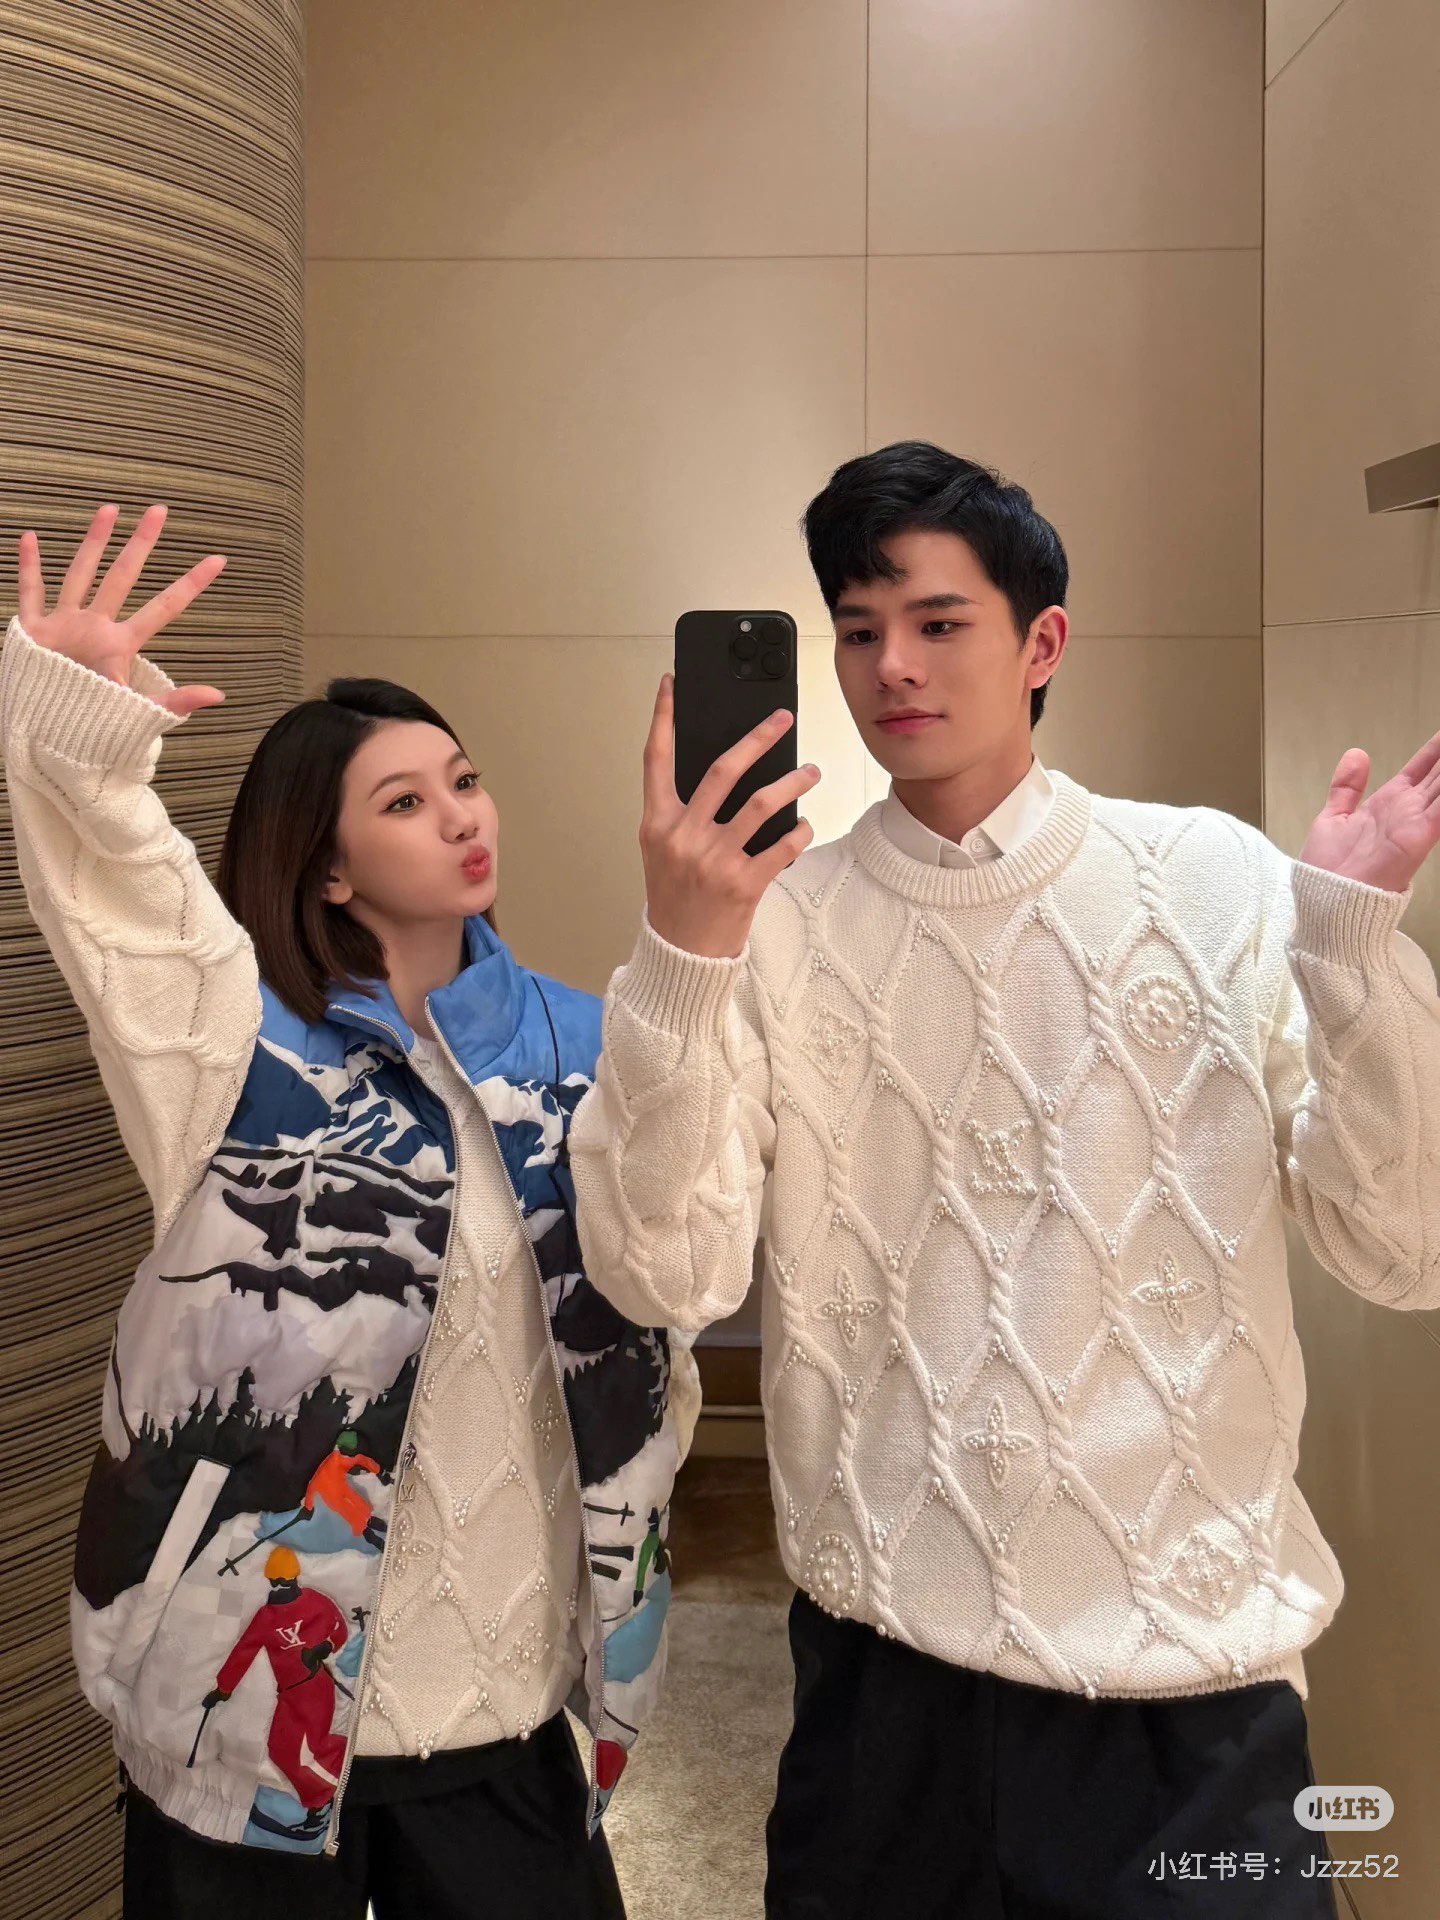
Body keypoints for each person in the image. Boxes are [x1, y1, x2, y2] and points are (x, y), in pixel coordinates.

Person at [567, 440, 1440, 1918]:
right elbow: (665, 1275)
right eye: (858, 629)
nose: (892, 666)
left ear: (1041, 644)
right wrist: (681, 952)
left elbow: (1403, 1249)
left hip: (1190, 1685)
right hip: (884, 1679)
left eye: (937, 621)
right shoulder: (775, 922)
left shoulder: (1212, 879)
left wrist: (1353, 955)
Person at [1, 503, 697, 1920]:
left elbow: (667, 1302)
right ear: (326, 865)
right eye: (404, 803)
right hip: (241, 1717)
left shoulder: (585, 1047)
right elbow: (130, 901)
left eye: (464, 781)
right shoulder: (233, 1048)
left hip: (500, 1703)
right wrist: (77, 722)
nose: (462, 816)